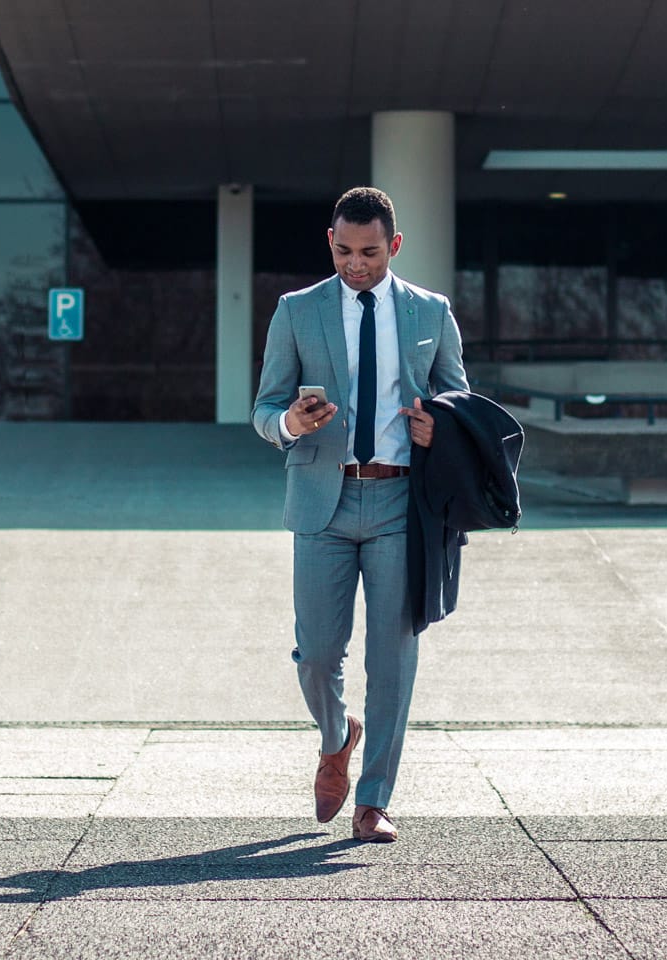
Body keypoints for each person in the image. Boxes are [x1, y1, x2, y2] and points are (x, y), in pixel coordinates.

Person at [251, 186, 469, 843]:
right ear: (330, 242)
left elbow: (461, 399)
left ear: (393, 246)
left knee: (393, 658)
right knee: (316, 654)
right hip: (324, 497)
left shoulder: (432, 312)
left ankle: (373, 801)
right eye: (344, 250)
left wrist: (442, 429)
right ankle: (336, 733)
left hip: (403, 503)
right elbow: (262, 410)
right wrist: (288, 421)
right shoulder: (297, 311)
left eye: (369, 252)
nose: (356, 263)